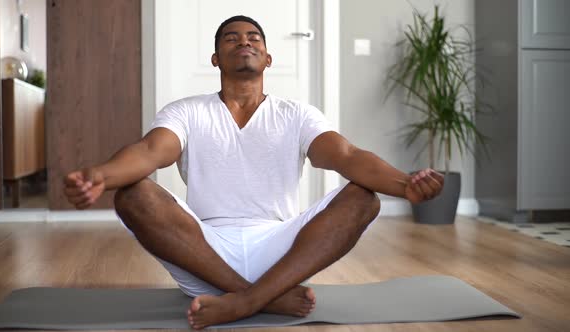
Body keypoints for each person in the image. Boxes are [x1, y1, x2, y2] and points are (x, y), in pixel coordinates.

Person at [63, 15, 444, 330]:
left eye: (253, 38)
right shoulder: (186, 111)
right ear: (215, 58)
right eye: (231, 38)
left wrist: (405, 184)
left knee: (363, 196)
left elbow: (346, 155)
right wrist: (99, 175)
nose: (244, 42)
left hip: (284, 255)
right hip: (202, 254)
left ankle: (244, 301)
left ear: (268, 57)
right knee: (132, 192)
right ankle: (260, 298)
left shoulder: (296, 114)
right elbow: (148, 152)